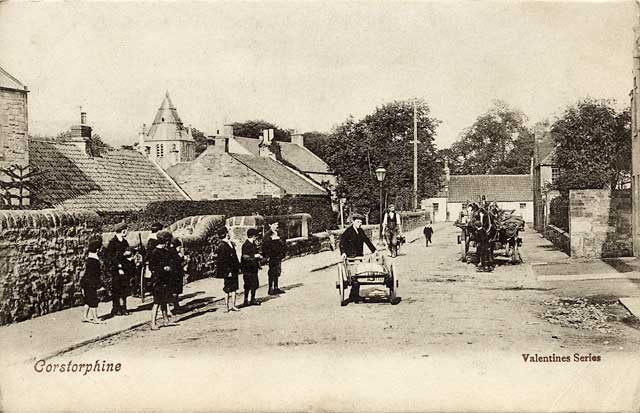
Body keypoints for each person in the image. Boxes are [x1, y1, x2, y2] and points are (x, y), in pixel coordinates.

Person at [339, 213, 377, 302]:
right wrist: (343, 253)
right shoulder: (348, 231)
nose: (360, 224)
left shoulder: (360, 231)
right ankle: (353, 296)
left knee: (359, 274)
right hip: (351, 257)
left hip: (359, 255)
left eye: (361, 222)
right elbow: (342, 243)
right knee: (354, 275)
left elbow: (367, 240)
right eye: (358, 222)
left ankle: (354, 295)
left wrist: (374, 250)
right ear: (353, 222)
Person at [148, 230, 178, 330]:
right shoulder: (155, 252)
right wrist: (163, 268)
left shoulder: (166, 251)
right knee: (156, 302)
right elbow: (152, 267)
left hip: (165, 279)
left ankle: (166, 320)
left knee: (164, 300)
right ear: (166, 242)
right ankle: (153, 323)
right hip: (158, 280)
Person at [105, 222, 129, 316]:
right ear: (123, 231)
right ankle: (116, 308)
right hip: (116, 269)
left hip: (125, 268)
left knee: (124, 289)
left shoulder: (124, 241)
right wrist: (119, 266)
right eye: (126, 230)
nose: (127, 232)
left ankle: (124, 307)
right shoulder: (113, 243)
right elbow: (111, 257)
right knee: (116, 289)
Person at [80, 239, 105, 324]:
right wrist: (99, 285)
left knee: (88, 300)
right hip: (91, 283)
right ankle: (95, 318)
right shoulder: (94, 261)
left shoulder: (90, 259)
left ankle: (85, 316)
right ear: (97, 250)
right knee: (94, 300)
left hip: (86, 282)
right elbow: (95, 275)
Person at [217, 227, 240, 312]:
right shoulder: (222, 245)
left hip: (234, 269)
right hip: (228, 270)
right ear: (226, 234)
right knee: (227, 288)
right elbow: (223, 261)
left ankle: (233, 305)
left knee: (234, 287)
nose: (229, 234)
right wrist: (228, 271)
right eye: (228, 232)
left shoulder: (230, 243)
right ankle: (226, 306)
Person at [262, 221, 286, 295]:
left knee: (277, 271)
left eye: (277, 224)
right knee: (272, 272)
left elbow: (284, 243)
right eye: (274, 224)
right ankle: (270, 288)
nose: (276, 226)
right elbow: (265, 247)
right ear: (270, 225)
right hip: (272, 256)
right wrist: (267, 256)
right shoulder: (267, 235)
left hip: (278, 256)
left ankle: (276, 287)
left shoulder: (279, 233)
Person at [241, 228, 262, 306]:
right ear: (253, 236)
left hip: (253, 267)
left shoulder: (253, 244)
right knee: (247, 284)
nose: (256, 238)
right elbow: (244, 257)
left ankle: (253, 299)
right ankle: (246, 300)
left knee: (255, 283)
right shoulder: (245, 245)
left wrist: (258, 262)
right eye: (255, 236)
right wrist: (255, 256)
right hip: (247, 268)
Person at [168, 238, 185, 314]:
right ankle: (176, 306)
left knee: (173, 290)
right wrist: (185, 260)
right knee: (175, 291)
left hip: (172, 274)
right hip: (176, 274)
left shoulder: (169, 251)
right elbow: (179, 264)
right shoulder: (175, 254)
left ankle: (176, 306)